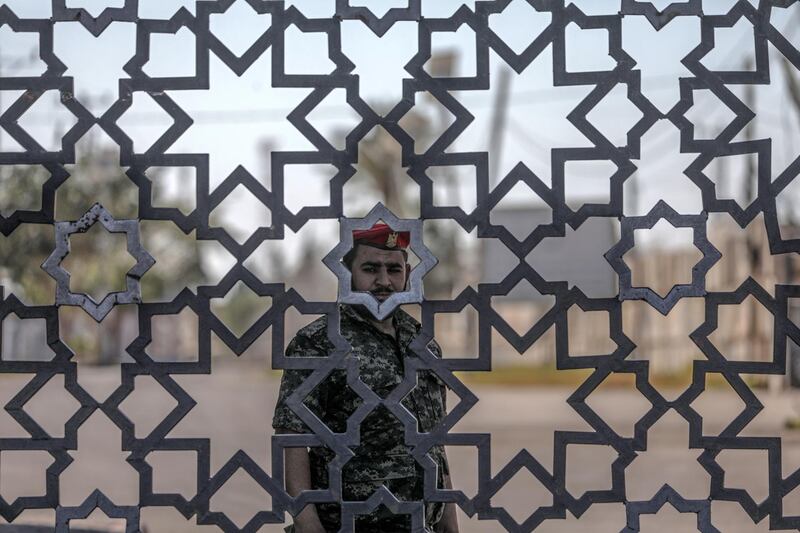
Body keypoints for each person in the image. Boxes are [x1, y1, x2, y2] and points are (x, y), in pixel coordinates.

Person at [273, 223, 460, 533]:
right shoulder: (320, 341)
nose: (384, 281)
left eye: (393, 269)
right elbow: (291, 436)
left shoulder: (424, 345)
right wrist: (307, 523)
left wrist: (450, 526)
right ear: (348, 273)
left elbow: (435, 446)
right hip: (348, 524)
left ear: (408, 273)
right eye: (371, 269)